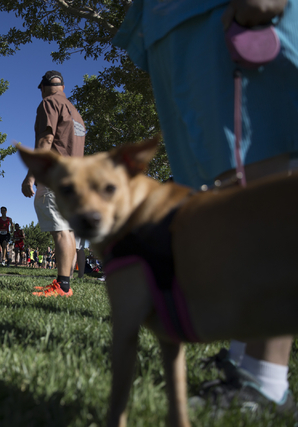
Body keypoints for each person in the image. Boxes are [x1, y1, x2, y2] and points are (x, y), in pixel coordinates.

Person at [114, 0, 297, 415]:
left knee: (260, 176)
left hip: (231, 14)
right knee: (215, 195)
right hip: (173, 28)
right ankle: (241, 361)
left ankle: (267, 381)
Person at [22, 70, 85, 297]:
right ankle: (64, 282)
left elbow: (46, 139)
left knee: (59, 229)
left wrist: (31, 175)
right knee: (67, 229)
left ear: (44, 87)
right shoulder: (75, 112)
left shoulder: (49, 104)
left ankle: (63, 285)